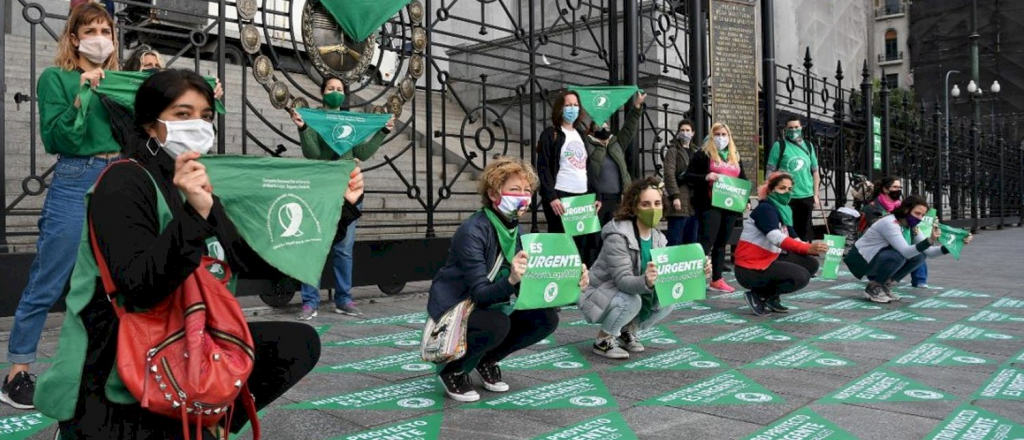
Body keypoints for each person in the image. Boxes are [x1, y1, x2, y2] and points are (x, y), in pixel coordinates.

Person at [34, 69, 345, 439]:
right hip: (121, 361)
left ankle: (203, 417)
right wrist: (193, 216)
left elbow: (256, 263)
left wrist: (341, 209)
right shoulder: (124, 181)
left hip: (186, 339)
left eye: (206, 116)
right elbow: (140, 289)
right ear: (151, 126)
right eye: (183, 114)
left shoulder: (198, 185)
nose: (197, 125)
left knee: (295, 345)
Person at [2, 3, 124, 410]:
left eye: (106, 30)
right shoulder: (56, 78)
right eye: (91, 30)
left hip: (118, 177)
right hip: (75, 178)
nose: (100, 37)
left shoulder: (119, 80)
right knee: (49, 277)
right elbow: (56, 139)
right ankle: (17, 371)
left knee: (114, 279)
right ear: (73, 38)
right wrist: (82, 96)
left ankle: (108, 365)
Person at [426, 157, 589, 402]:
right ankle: (453, 370)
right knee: (498, 323)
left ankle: (487, 360)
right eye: (514, 190)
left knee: (545, 319)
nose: (523, 197)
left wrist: (571, 283)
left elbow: (533, 290)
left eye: (527, 191)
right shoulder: (473, 231)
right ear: (493, 194)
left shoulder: (516, 231)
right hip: (456, 306)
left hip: (490, 304)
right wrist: (512, 279)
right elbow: (479, 293)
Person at [289, 76, 396, 320]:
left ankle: (344, 299)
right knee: (313, 246)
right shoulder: (314, 119)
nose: (335, 92)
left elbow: (362, 153)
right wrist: (304, 128)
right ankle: (309, 302)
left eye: (339, 89)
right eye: (330, 89)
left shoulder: (351, 121)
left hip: (348, 190)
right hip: (320, 190)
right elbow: (312, 154)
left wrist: (382, 132)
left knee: (344, 249)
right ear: (322, 93)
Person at [579, 177, 710, 359]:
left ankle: (627, 330)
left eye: (657, 203)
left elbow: (671, 276)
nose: (653, 209)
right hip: (602, 294)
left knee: (668, 299)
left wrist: (699, 271)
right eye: (646, 204)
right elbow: (623, 281)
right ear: (634, 207)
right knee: (632, 301)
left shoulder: (659, 238)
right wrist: (646, 281)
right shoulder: (618, 235)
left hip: (627, 292)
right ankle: (603, 340)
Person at [845, 195, 972, 303]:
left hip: (877, 259)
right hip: (861, 261)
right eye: (917, 213)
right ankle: (874, 287)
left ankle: (885, 283)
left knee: (920, 256)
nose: (920, 218)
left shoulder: (912, 227)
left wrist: (952, 245)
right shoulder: (890, 223)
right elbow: (905, 251)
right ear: (906, 210)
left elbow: (930, 253)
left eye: (922, 215)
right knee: (899, 256)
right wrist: (930, 240)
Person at [734, 173, 828, 315]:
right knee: (801, 276)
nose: (787, 193)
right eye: (782, 188)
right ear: (771, 190)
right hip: (750, 267)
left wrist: (818, 248)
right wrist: (808, 247)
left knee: (811, 264)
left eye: (789, 189)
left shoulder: (783, 210)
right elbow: (776, 237)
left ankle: (771, 297)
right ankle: (759, 295)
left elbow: (795, 239)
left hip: (768, 258)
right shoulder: (765, 209)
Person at [535, 90, 601, 265]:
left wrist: (596, 195)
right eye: (568, 105)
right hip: (561, 197)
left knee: (582, 245)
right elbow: (543, 168)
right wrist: (551, 197)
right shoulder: (551, 134)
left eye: (575, 105)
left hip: (582, 199)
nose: (573, 109)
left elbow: (588, 167)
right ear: (560, 108)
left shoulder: (581, 134)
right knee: (561, 245)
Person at [683, 122, 748, 293]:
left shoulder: (735, 155)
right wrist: (706, 176)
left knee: (722, 243)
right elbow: (687, 176)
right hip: (709, 205)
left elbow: (743, 179)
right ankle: (695, 279)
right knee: (706, 242)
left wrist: (746, 199)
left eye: (724, 134)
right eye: (717, 134)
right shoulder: (703, 154)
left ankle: (717, 279)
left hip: (730, 205)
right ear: (712, 136)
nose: (721, 138)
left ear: (729, 136)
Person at [857, 176, 930, 288]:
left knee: (918, 249)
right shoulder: (872, 207)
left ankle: (916, 280)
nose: (898, 190)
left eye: (900, 187)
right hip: (878, 248)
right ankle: (877, 283)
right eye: (895, 187)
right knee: (905, 251)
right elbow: (882, 229)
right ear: (886, 189)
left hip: (896, 241)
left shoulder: (901, 206)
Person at [586, 92, 645, 225]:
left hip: (618, 197)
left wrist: (636, 107)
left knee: (615, 230)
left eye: (606, 125)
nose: (604, 127)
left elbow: (629, 128)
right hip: (597, 199)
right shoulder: (588, 145)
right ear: (592, 129)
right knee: (597, 234)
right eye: (600, 125)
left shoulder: (616, 144)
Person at [765, 115, 820, 241]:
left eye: (796, 127)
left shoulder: (808, 145)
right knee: (788, 230)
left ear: (801, 127)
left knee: (804, 231)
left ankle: (803, 257)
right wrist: (770, 191)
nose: (794, 130)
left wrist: (816, 195)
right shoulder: (779, 146)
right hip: (786, 196)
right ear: (785, 129)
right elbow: (770, 171)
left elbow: (815, 172)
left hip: (806, 195)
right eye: (790, 127)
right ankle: (790, 258)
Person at [663, 120, 699, 246]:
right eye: (682, 130)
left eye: (688, 130)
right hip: (680, 197)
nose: (685, 133)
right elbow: (669, 174)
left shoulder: (696, 151)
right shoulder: (673, 150)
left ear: (693, 133)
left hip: (694, 200)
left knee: (691, 239)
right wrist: (675, 196)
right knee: (675, 238)